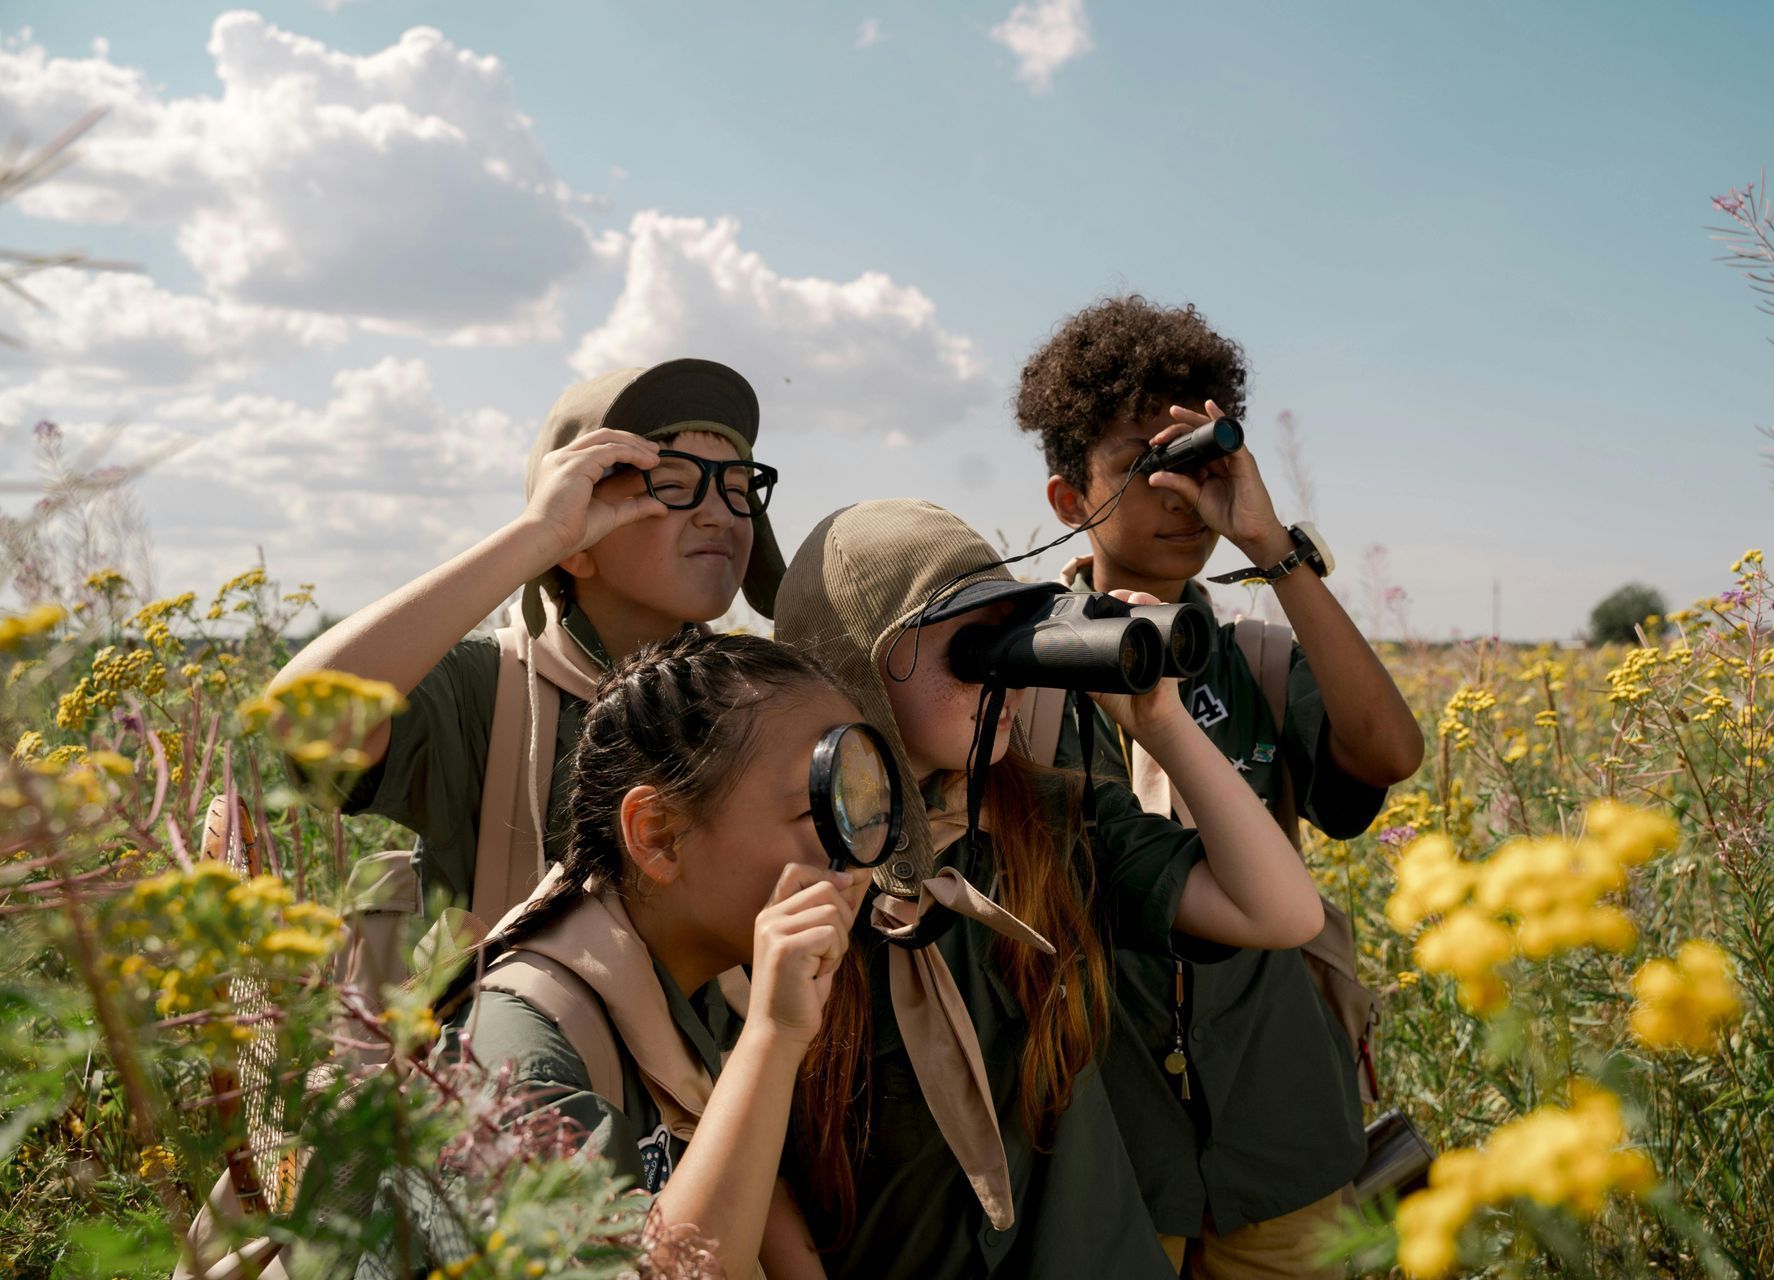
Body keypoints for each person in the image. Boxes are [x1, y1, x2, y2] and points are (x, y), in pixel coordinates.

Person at [773, 498, 1328, 1279]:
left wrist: (1161, 724)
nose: (1001, 674)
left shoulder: (1050, 821)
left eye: (1013, 642)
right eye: (973, 651)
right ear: (857, 669)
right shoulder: (782, 865)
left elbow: (1280, 911)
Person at [1013, 295, 1424, 1278]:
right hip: (1107, 1142)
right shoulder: (1021, 673)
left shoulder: (1256, 657)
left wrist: (1265, 540)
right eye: (1138, 470)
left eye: (1192, 466)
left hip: (1279, 1125)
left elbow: (1388, 754)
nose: (1175, 499)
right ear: (1069, 499)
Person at [389, 631, 873, 1280]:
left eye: (858, 807)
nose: (853, 850)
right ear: (658, 837)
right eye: (817, 810)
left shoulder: (696, 984)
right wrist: (774, 1038)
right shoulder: (517, 1056)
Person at [275, 360, 785, 930]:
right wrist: (536, 538)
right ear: (576, 534)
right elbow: (302, 718)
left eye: (737, 488)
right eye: (670, 485)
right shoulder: (489, 694)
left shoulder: (759, 703)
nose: (718, 514)